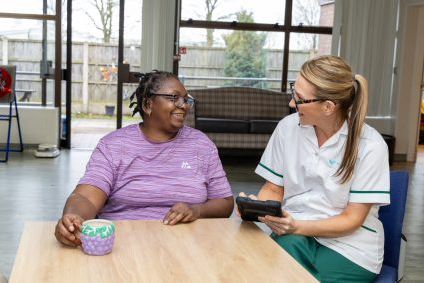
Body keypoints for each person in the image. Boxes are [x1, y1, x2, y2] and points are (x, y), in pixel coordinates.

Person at [239, 55, 390, 282]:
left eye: (299, 98)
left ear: (328, 106)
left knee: (276, 273)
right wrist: (258, 209)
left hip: (350, 247)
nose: (291, 104)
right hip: (295, 233)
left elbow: (351, 219)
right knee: (265, 264)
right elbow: (273, 188)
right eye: (293, 92)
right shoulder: (287, 128)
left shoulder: (370, 145)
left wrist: (296, 226)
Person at [55, 70, 234, 247]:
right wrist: (73, 218)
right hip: (125, 245)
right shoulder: (114, 145)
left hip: (187, 245)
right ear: (148, 104)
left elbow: (225, 202)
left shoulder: (201, 145)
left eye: (186, 100)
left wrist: (197, 210)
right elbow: (85, 197)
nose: (184, 105)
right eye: (174, 98)